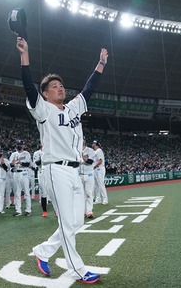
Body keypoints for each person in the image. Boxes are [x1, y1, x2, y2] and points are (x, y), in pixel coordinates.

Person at [16, 36, 107, 283]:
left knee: (75, 222)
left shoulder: (73, 107)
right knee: (69, 222)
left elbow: (88, 89)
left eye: (61, 85)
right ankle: (77, 269)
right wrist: (25, 56)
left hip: (75, 171)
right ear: (45, 94)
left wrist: (100, 64)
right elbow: (28, 87)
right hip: (55, 170)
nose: (59, 87)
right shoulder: (43, 110)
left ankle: (43, 251)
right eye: (54, 86)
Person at [9, 143, 32, 217]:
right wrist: (12, 164)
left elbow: (28, 164)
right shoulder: (13, 154)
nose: (19, 146)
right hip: (16, 173)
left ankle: (28, 210)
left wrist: (20, 162)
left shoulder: (26, 153)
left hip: (24, 173)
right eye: (18, 144)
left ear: (23, 146)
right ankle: (18, 210)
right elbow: (11, 165)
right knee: (17, 192)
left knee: (26, 192)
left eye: (20, 144)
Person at [32, 143, 48, 217]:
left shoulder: (51, 151)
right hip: (41, 172)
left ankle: (56, 210)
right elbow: (37, 163)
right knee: (43, 191)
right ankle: (44, 211)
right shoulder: (37, 153)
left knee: (53, 192)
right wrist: (43, 157)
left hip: (50, 172)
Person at [92, 140, 108, 205]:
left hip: (99, 168)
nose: (92, 144)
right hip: (96, 169)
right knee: (96, 185)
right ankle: (98, 199)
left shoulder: (99, 151)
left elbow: (100, 161)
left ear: (96, 145)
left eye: (94, 143)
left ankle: (105, 199)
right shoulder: (95, 151)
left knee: (101, 184)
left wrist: (94, 166)